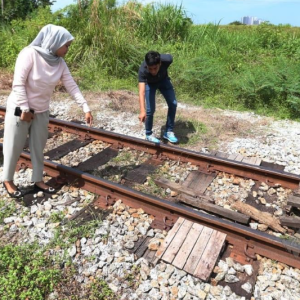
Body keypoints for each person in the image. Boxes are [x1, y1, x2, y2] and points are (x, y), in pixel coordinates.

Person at [2, 24, 93, 198]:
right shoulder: (29, 54)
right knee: (13, 146)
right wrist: (25, 108)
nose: (68, 49)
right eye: (66, 45)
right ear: (55, 41)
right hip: (20, 108)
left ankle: (37, 180)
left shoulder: (60, 63)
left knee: (38, 147)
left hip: (41, 111)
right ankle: (7, 180)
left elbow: (71, 85)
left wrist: (85, 107)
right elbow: (18, 83)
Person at [138, 50, 178, 144]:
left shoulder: (167, 60)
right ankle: (148, 134)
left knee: (173, 103)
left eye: (155, 68)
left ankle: (168, 131)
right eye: (150, 69)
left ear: (160, 63)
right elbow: (141, 92)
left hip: (163, 81)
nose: (153, 71)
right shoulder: (142, 70)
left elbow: (169, 55)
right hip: (150, 84)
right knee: (150, 110)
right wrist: (142, 111)